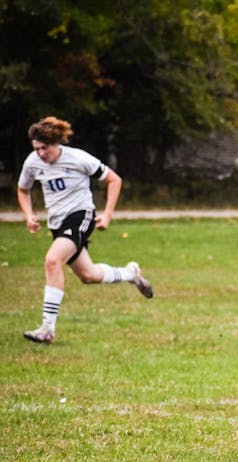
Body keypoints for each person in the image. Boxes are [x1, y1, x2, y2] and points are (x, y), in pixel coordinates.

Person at [17, 116, 153, 344]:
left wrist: (107, 214)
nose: (41, 153)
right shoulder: (32, 162)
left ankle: (47, 329)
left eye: (44, 148)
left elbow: (114, 180)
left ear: (56, 143)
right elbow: (23, 190)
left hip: (81, 216)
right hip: (57, 224)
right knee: (88, 275)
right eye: (37, 148)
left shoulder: (78, 158)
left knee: (52, 261)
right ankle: (131, 274)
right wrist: (29, 215)